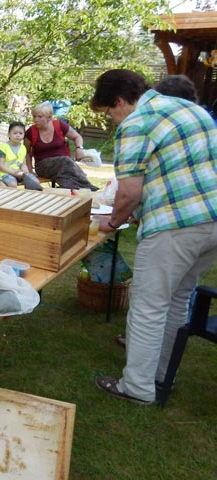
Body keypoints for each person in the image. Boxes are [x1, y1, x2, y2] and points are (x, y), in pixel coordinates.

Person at [90, 69, 217, 404]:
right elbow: (181, 169)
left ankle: (137, 387)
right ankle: (162, 376)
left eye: (109, 112)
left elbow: (129, 191)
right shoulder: (192, 110)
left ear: (119, 101)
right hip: (212, 222)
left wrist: (113, 222)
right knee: (177, 299)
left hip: (174, 227)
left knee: (148, 306)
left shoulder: (135, 123)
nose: (112, 120)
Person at [24, 102, 98, 191]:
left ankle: (73, 190)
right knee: (65, 161)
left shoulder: (59, 125)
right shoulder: (31, 132)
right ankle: (89, 188)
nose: (36, 120)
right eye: (34, 116)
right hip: (43, 166)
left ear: (49, 117)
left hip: (64, 166)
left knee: (65, 176)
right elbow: (26, 152)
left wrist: (79, 149)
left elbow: (77, 137)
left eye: (39, 117)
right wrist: (30, 171)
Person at [0, 122, 42, 190]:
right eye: (15, 133)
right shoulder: (3, 147)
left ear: (24, 135)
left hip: (19, 173)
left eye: (20, 133)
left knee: (36, 181)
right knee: (13, 184)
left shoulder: (23, 148)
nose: (18, 135)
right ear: (9, 134)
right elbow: (1, 166)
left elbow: (23, 165)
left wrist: (26, 174)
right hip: (5, 173)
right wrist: (14, 173)